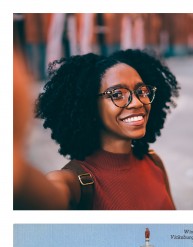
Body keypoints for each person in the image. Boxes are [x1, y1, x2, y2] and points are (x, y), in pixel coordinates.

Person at [25, 48, 179, 210]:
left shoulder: (154, 162)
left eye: (142, 91)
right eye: (117, 94)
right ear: (90, 106)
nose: (137, 103)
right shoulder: (73, 184)